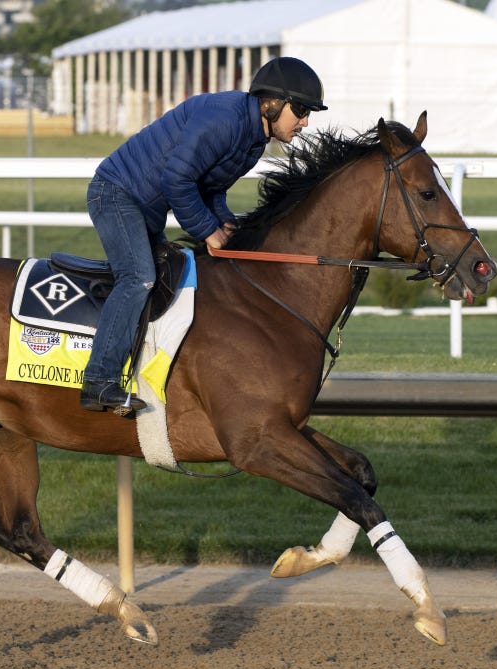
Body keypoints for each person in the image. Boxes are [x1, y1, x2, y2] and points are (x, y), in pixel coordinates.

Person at [79, 56, 328, 413]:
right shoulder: (225, 121)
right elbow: (177, 180)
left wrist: (226, 224)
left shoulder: (254, 139)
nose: (305, 122)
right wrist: (208, 231)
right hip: (115, 193)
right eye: (301, 110)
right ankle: (99, 382)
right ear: (271, 103)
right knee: (139, 279)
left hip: (144, 204)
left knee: (173, 278)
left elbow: (210, 188)